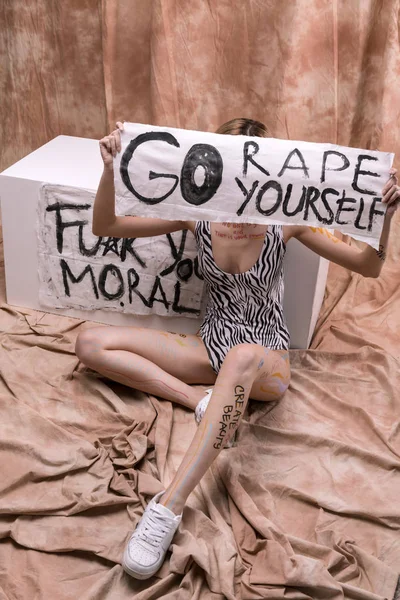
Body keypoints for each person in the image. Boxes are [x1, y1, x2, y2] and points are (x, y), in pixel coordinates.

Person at [75, 118, 399, 580]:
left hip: (264, 360)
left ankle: (167, 509)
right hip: (213, 344)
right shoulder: (197, 212)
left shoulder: (286, 220)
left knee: (242, 357)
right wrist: (110, 168)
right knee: (90, 341)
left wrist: (383, 220)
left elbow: (367, 267)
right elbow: (107, 224)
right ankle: (207, 406)